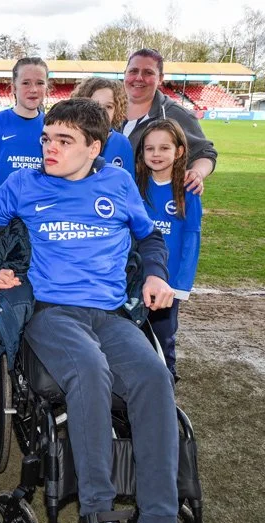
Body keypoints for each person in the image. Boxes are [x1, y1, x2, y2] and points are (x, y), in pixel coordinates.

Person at [0, 98, 180, 523]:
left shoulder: (118, 184)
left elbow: (150, 238)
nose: (50, 148)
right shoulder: (23, 185)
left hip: (112, 314)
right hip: (53, 312)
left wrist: (155, 276)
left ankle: (159, 519)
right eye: (47, 138)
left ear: (94, 148)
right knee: (88, 368)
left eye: (65, 140)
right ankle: (97, 514)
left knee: (156, 377)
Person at [135, 119, 201, 380]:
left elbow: (191, 238)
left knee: (163, 337)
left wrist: (181, 285)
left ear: (179, 151)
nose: (156, 154)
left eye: (164, 148)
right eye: (150, 149)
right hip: (135, 278)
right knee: (134, 336)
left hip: (168, 284)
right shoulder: (134, 185)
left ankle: (166, 383)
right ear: (142, 152)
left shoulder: (187, 189)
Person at [123, 48, 217, 195]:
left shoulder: (176, 114)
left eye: (148, 72)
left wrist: (197, 173)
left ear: (160, 78)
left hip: (153, 209)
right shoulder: (107, 110)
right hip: (105, 206)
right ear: (125, 74)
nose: (139, 78)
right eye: (133, 71)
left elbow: (205, 152)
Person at [0, 57, 47, 204]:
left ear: (47, 87)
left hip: (38, 214)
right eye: (26, 83)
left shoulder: (53, 126)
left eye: (40, 83)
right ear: (13, 87)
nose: (33, 89)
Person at [72, 76, 135, 176]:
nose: (102, 112)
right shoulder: (71, 140)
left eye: (108, 107)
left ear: (117, 110)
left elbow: (128, 185)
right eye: (95, 105)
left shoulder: (123, 143)